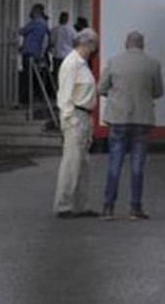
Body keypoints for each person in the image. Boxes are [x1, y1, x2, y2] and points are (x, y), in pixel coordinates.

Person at [98, 31, 164, 221]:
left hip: (118, 119)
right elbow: (159, 91)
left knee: (114, 164)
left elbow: (101, 88)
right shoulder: (153, 64)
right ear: (142, 45)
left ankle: (108, 208)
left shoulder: (113, 62)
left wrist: (116, 96)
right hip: (142, 120)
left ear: (126, 44)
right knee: (137, 166)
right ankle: (135, 208)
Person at [54, 28, 100, 219]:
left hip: (84, 116)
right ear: (85, 44)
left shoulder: (82, 64)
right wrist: (71, 120)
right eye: (94, 44)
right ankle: (64, 205)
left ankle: (81, 204)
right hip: (76, 117)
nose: (95, 48)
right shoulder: (72, 64)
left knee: (82, 163)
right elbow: (64, 96)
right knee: (72, 162)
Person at [19, 4, 51, 106]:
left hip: (29, 52)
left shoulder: (35, 22)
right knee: (32, 76)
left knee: (26, 76)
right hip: (36, 52)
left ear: (36, 11)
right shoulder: (44, 24)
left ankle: (25, 100)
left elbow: (23, 31)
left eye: (32, 10)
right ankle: (32, 97)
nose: (31, 12)